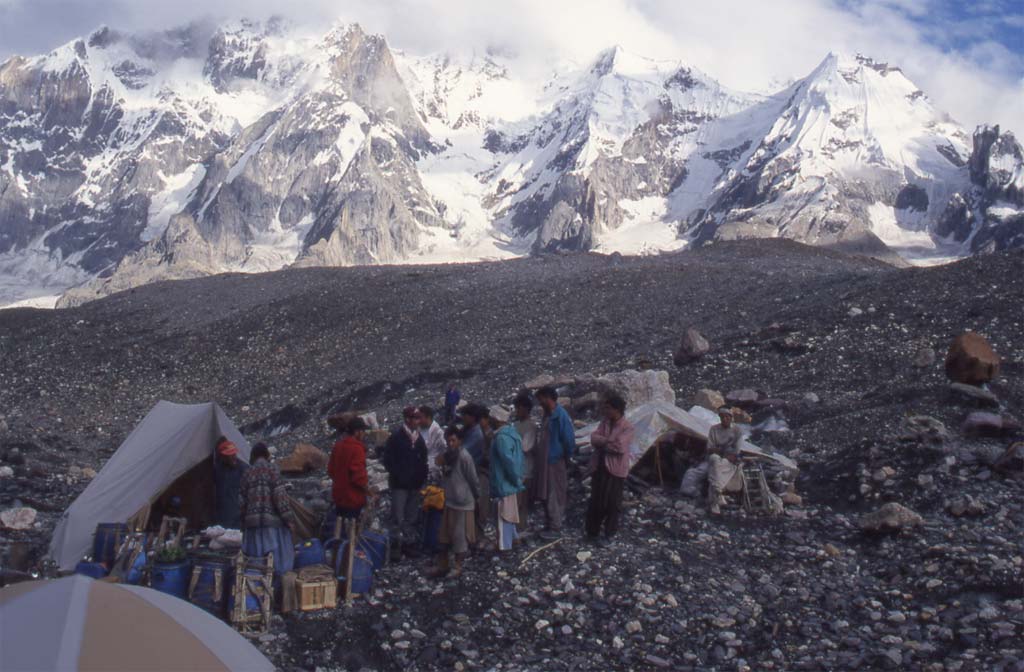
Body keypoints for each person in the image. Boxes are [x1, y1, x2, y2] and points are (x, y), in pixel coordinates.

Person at [426, 426, 480, 578]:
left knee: (459, 537)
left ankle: (457, 567)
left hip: (462, 502)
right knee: (444, 536)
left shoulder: (464, 457)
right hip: (450, 501)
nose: (450, 443)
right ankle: (442, 565)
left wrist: (477, 496)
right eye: (448, 440)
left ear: (460, 441)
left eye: (453, 440)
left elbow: (473, 479)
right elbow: (438, 464)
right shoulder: (448, 456)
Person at [239, 443, 295, 575]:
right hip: (272, 526)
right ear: (266, 455)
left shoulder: (247, 473)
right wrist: (289, 519)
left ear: (253, 456)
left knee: (256, 565)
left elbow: (241, 501)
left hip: (252, 527)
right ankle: (275, 590)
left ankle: (257, 590)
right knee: (275, 563)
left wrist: (243, 522)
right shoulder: (273, 470)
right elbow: (280, 497)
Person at [585, 395, 635, 543]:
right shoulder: (604, 423)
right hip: (599, 468)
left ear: (616, 409)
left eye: (608, 408)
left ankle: (609, 533)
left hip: (615, 471)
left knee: (613, 503)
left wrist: (602, 442)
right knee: (596, 501)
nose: (605, 411)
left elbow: (619, 447)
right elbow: (593, 438)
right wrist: (607, 442)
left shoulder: (627, 427)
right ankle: (592, 532)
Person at [382, 407, 429, 560]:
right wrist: (399, 476)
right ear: (407, 419)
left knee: (411, 517)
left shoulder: (419, 439)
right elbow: (388, 460)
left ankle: (409, 546)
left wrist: (421, 477)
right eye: (415, 418)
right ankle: (395, 549)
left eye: (419, 418)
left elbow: (424, 460)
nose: (418, 421)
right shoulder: (396, 437)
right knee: (398, 517)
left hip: (414, 485)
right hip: (399, 485)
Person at [535, 386, 576, 541]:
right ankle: (549, 523)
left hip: (554, 461)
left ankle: (555, 527)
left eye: (540, 398)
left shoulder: (560, 416)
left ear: (547, 397)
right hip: (546, 462)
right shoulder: (548, 415)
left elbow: (569, 440)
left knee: (554, 493)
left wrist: (566, 458)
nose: (539, 402)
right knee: (546, 493)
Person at [490, 414, 525, 551]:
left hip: (503, 481)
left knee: (503, 513)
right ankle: (514, 538)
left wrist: (515, 478)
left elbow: (507, 461)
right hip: (511, 481)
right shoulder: (513, 434)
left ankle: (504, 546)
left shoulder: (501, 438)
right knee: (510, 511)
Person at [328, 417, 370, 521]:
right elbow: (358, 477)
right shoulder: (357, 449)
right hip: (352, 499)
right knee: (351, 530)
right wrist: (368, 491)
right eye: (363, 431)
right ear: (357, 432)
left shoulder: (338, 446)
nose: (364, 434)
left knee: (339, 527)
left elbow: (330, 470)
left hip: (338, 497)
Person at [460, 404, 491, 542]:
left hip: (477, 474)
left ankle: (475, 538)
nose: (462, 418)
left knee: (476, 508)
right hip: (471, 474)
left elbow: (463, 453)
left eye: (465, 416)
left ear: (472, 417)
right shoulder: (469, 430)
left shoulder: (476, 434)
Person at [707, 407, 744, 514]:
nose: (724, 419)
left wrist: (725, 453)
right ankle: (718, 493)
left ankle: (716, 498)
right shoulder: (713, 429)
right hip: (717, 456)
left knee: (716, 469)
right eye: (722, 417)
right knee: (714, 460)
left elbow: (736, 451)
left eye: (727, 417)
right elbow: (710, 448)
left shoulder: (737, 430)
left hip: (729, 461)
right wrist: (723, 453)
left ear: (731, 418)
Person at [512, 394, 538, 534]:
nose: (517, 411)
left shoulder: (531, 427)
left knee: (522, 502)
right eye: (516, 408)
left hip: (526, 469)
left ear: (527, 409)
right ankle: (515, 528)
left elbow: (526, 447)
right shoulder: (516, 425)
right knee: (515, 501)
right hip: (515, 468)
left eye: (519, 408)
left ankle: (521, 528)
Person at [213, 436, 248, 529]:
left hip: (239, 514)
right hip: (223, 514)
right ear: (223, 456)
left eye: (234, 454)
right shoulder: (218, 469)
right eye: (229, 455)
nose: (233, 456)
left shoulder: (243, 468)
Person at [418, 406, 447, 483]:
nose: (418, 420)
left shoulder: (438, 432)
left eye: (420, 417)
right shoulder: (419, 429)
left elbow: (444, 451)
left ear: (428, 417)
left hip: (431, 469)